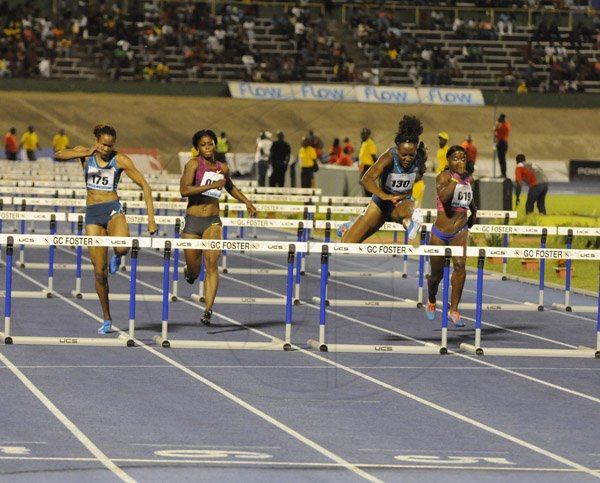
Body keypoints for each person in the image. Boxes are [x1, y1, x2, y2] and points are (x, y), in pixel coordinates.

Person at [54, 124, 157, 334]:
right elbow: (58, 154)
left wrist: (151, 218)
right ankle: (107, 318)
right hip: (92, 214)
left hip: (112, 210)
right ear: (96, 141)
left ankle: (118, 256)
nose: (106, 149)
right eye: (103, 144)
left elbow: (145, 185)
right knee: (100, 273)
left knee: (122, 248)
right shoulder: (86, 153)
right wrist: (86, 152)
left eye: (110, 145)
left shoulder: (120, 160)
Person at [180, 129, 257, 325]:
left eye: (210, 144)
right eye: (203, 144)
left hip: (213, 221)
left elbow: (229, 186)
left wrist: (247, 202)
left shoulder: (222, 167)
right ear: (197, 147)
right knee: (195, 270)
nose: (207, 147)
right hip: (193, 221)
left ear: (214, 145)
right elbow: (184, 190)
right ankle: (189, 272)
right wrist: (210, 186)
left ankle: (208, 309)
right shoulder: (192, 164)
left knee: (212, 265)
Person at [338, 115, 427, 242]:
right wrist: (384, 195)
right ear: (397, 149)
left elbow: (418, 175)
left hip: (402, 203)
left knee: (408, 209)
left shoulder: (420, 156)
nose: (407, 158)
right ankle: (350, 227)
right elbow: (366, 179)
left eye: (411, 155)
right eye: (404, 155)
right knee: (346, 244)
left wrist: (420, 170)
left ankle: (410, 222)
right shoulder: (389, 156)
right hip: (380, 204)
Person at [425, 145, 477, 328]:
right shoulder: (443, 177)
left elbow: (470, 198)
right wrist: (456, 178)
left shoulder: (469, 178)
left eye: (463, 158)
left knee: (460, 265)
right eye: (456, 158)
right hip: (440, 233)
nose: (460, 162)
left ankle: (453, 310)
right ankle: (431, 297)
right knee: (436, 275)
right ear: (448, 161)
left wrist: (474, 214)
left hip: (460, 231)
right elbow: (445, 197)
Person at [358, 127, 377, 196]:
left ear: (368, 135)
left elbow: (373, 156)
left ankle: (369, 197)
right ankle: (366, 197)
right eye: (362, 134)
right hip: (363, 166)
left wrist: (376, 166)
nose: (363, 135)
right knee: (363, 183)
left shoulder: (370, 143)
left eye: (365, 134)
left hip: (368, 166)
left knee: (366, 183)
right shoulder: (364, 142)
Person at [494, 113, 511, 178]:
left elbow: (497, 132)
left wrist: (496, 126)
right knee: (501, 160)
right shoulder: (503, 125)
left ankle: (503, 174)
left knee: (502, 160)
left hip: (502, 143)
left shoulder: (505, 125)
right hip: (501, 143)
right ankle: (503, 173)